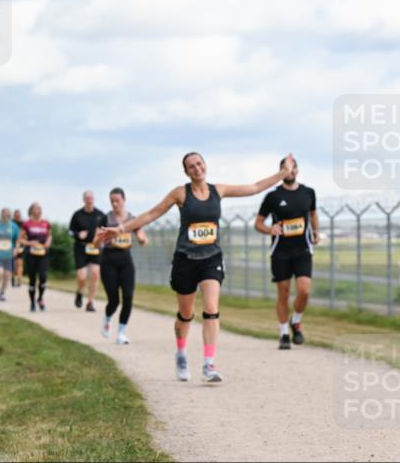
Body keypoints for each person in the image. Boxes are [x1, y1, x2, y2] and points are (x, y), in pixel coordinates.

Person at [96, 151, 296, 383]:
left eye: (199, 163)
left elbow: (254, 187)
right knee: (186, 314)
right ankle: (181, 354)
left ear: (205, 165)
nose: (196, 168)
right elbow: (152, 213)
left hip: (211, 258)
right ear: (186, 172)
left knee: (211, 309)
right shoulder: (180, 193)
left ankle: (209, 364)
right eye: (191, 166)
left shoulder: (218, 190)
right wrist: (120, 229)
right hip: (186, 259)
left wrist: (282, 174)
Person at [255, 156, 320, 349]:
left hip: (303, 249)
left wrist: (316, 231)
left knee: (304, 290)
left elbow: (313, 214)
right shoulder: (272, 197)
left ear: (297, 170)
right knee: (283, 293)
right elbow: (258, 223)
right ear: (281, 171)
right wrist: (270, 229)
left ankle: (296, 321)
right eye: (286, 168)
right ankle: (284, 333)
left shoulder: (308, 192)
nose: (290, 171)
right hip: (280, 251)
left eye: (293, 168)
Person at [97, 188, 148, 345]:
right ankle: (107, 319)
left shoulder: (132, 218)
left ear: (124, 200)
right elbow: (95, 242)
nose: (114, 203)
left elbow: (143, 238)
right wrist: (104, 239)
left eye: (117, 200)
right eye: (112, 201)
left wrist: (140, 238)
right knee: (114, 300)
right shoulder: (105, 219)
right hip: (108, 261)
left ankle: (121, 333)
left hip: (126, 261)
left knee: (128, 296)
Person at [69, 191, 105, 312]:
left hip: (95, 247)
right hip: (80, 247)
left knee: (95, 273)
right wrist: (78, 233)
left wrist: (100, 235)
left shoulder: (100, 215)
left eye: (91, 198)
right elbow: (70, 231)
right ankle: (79, 292)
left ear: (94, 199)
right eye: (87, 198)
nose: (89, 200)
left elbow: (106, 230)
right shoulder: (77, 215)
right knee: (82, 277)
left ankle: (90, 302)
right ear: (83, 199)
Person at [18, 203, 52, 312]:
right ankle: (32, 302)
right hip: (31, 254)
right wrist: (29, 242)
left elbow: (50, 235)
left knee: (43, 276)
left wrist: (48, 242)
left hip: (43, 254)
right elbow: (21, 239)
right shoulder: (27, 224)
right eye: (36, 209)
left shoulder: (46, 223)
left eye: (40, 209)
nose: (38, 210)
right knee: (32, 279)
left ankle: (40, 298)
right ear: (32, 211)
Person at [11, 208, 25, 287]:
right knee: (13, 264)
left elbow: (26, 235)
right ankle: (13, 278)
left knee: (20, 263)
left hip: (20, 245)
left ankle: (19, 280)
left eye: (19, 215)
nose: (18, 216)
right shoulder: (10, 223)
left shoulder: (23, 224)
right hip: (12, 245)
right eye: (16, 215)